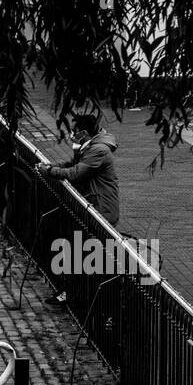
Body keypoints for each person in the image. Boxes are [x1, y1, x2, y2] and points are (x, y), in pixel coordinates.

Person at [39, 113, 121, 302]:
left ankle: (79, 294)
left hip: (101, 210)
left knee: (83, 253)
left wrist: (49, 171)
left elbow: (75, 173)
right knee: (79, 251)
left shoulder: (98, 151)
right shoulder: (90, 148)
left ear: (83, 133)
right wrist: (50, 166)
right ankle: (75, 292)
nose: (72, 135)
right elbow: (70, 165)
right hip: (92, 208)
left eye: (74, 132)